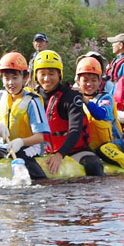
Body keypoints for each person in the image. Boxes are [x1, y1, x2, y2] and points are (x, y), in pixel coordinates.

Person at [33, 50, 104, 178]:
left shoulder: (71, 97)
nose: (46, 78)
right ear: (35, 76)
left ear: (59, 75)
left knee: (93, 164)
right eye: (42, 74)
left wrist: (60, 155)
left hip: (76, 151)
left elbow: (75, 130)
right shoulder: (33, 97)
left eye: (51, 74)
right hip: (45, 152)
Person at [73, 56, 124, 173]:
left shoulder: (106, 98)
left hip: (112, 143)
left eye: (94, 80)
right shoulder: (75, 98)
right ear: (78, 81)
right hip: (91, 147)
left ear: (100, 81)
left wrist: (85, 100)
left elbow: (100, 114)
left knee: (104, 148)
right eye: (85, 80)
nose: (89, 84)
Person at [0, 51, 48, 173]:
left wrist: (21, 142)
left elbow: (40, 136)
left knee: (21, 154)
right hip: (5, 146)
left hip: (30, 146)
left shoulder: (32, 101)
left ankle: (40, 180)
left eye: (15, 78)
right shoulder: (2, 96)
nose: (10, 83)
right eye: (6, 78)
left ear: (24, 77)